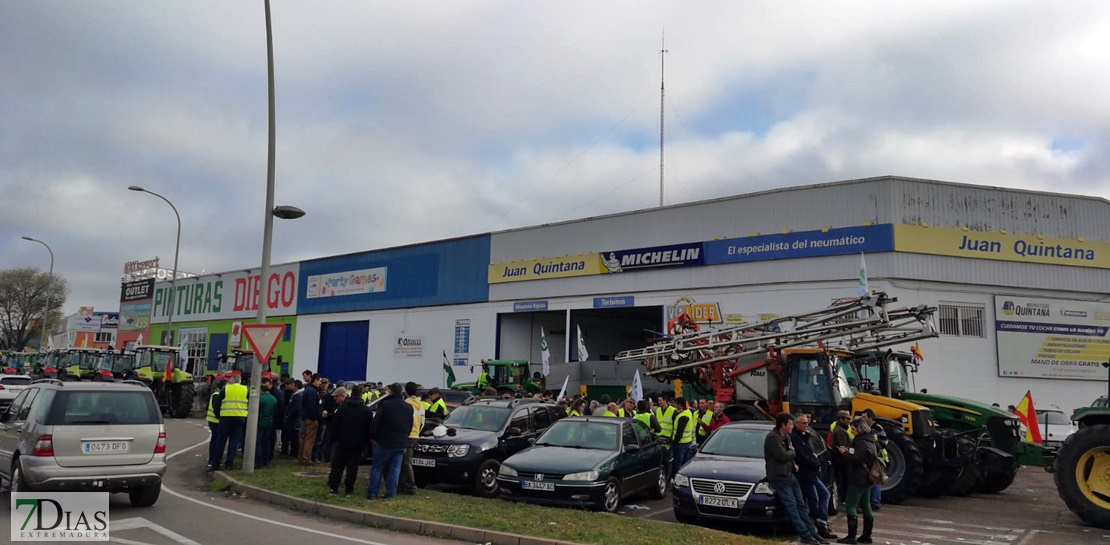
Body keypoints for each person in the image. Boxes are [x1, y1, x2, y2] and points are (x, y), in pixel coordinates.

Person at [765, 412, 826, 545]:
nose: (792, 427)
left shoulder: (786, 437)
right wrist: (792, 453)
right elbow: (782, 455)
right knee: (792, 506)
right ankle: (804, 534)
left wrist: (793, 462)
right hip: (779, 476)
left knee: (801, 505)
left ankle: (812, 532)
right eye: (791, 424)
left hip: (790, 474)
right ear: (783, 425)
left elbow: (790, 455)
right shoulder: (772, 438)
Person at [793, 413, 838, 540]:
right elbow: (802, 456)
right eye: (804, 423)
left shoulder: (805, 436)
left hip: (812, 473)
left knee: (823, 495)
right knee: (815, 498)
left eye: (807, 423)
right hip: (806, 474)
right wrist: (815, 462)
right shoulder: (796, 438)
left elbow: (811, 452)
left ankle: (821, 522)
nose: (807, 425)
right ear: (797, 424)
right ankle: (819, 525)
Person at [367, 383, 413, 500]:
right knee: (395, 469)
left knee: (377, 467)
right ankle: (391, 493)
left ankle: (373, 493)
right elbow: (410, 424)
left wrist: (374, 437)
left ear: (391, 392)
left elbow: (376, 422)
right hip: (401, 442)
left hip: (384, 441)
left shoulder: (385, 405)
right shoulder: (408, 407)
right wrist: (404, 437)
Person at [836, 419, 878, 544]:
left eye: (853, 429)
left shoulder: (860, 442)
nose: (852, 431)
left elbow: (857, 458)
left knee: (851, 504)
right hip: (868, 478)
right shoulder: (871, 440)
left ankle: (851, 536)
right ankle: (867, 535)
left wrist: (844, 453)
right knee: (866, 505)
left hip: (858, 478)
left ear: (859, 429)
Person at [328, 385, 373, 496]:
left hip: (342, 442)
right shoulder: (366, 411)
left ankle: (334, 487)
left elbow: (335, 426)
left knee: (338, 466)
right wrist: (366, 443)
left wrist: (334, 440)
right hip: (357, 444)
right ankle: (349, 489)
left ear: (351, 394)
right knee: (352, 468)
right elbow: (369, 429)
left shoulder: (342, 409)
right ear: (361, 394)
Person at [215, 374, 248, 470]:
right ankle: (229, 464)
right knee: (234, 441)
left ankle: (216, 463)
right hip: (240, 418)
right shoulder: (245, 390)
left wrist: (218, 415)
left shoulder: (226, 389)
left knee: (221, 441)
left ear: (232, 381)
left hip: (226, 417)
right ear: (240, 381)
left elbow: (217, 403)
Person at [399, 382, 426, 495]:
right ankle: (404, 484)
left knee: (405, 462)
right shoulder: (421, 404)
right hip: (415, 435)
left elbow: (402, 421)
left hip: (407, 435)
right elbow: (422, 423)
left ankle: (410, 486)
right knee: (405, 461)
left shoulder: (406, 403)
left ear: (406, 392)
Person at [860, 409, 888, 511]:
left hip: (876, 457)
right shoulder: (869, 428)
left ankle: (875, 503)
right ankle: (873, 501)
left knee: (875, 479)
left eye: (864, 417)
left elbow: (881, 442)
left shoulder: (876, 428)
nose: (862, 419)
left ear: (870, 418)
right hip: (874, 456)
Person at [828, 410, 854, 501]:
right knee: (844, 481)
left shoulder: (840, 429)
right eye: (847, 419)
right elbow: (843, 447)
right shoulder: (840, 431)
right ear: (841, 419)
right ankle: (844, 499)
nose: (849, 421)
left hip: (841, 461)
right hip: (842, 461)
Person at [300, 374, 323, 466]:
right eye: (319, 381)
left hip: (306, 417)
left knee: (305, 439)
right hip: (311, 419)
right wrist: (314, 418)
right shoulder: (312, 391)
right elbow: (311, 406)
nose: (320, 383)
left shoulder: (308, 390)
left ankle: (302, 457)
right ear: (315, 380)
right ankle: (306, 459)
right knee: (310, 440)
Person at [670, 398, 696, 478]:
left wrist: (674, 442)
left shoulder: (683, 416)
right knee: (685, 463)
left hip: (680, 444)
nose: (674, 406)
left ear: (680, 404)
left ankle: (677, 479)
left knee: (678, 463)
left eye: (676, 404)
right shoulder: (687, 413)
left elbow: (679, 432)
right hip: (687, 442)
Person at [255, 378, 277, 468]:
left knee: (258, 442)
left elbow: (257, 412)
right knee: (266, 441)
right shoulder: (274, 399)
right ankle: (266, 460)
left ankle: (259, 461)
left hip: (260, 422)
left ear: (262, 390)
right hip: (269, 422)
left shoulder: (260, 399)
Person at [205, 378, 226, 472]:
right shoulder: (217, 395)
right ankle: (212, 460)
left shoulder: (218, 394)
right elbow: (216, 408)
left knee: (217, 440)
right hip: (215, 421)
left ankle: (214, 460)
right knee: (216, 441)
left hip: (216, 421)